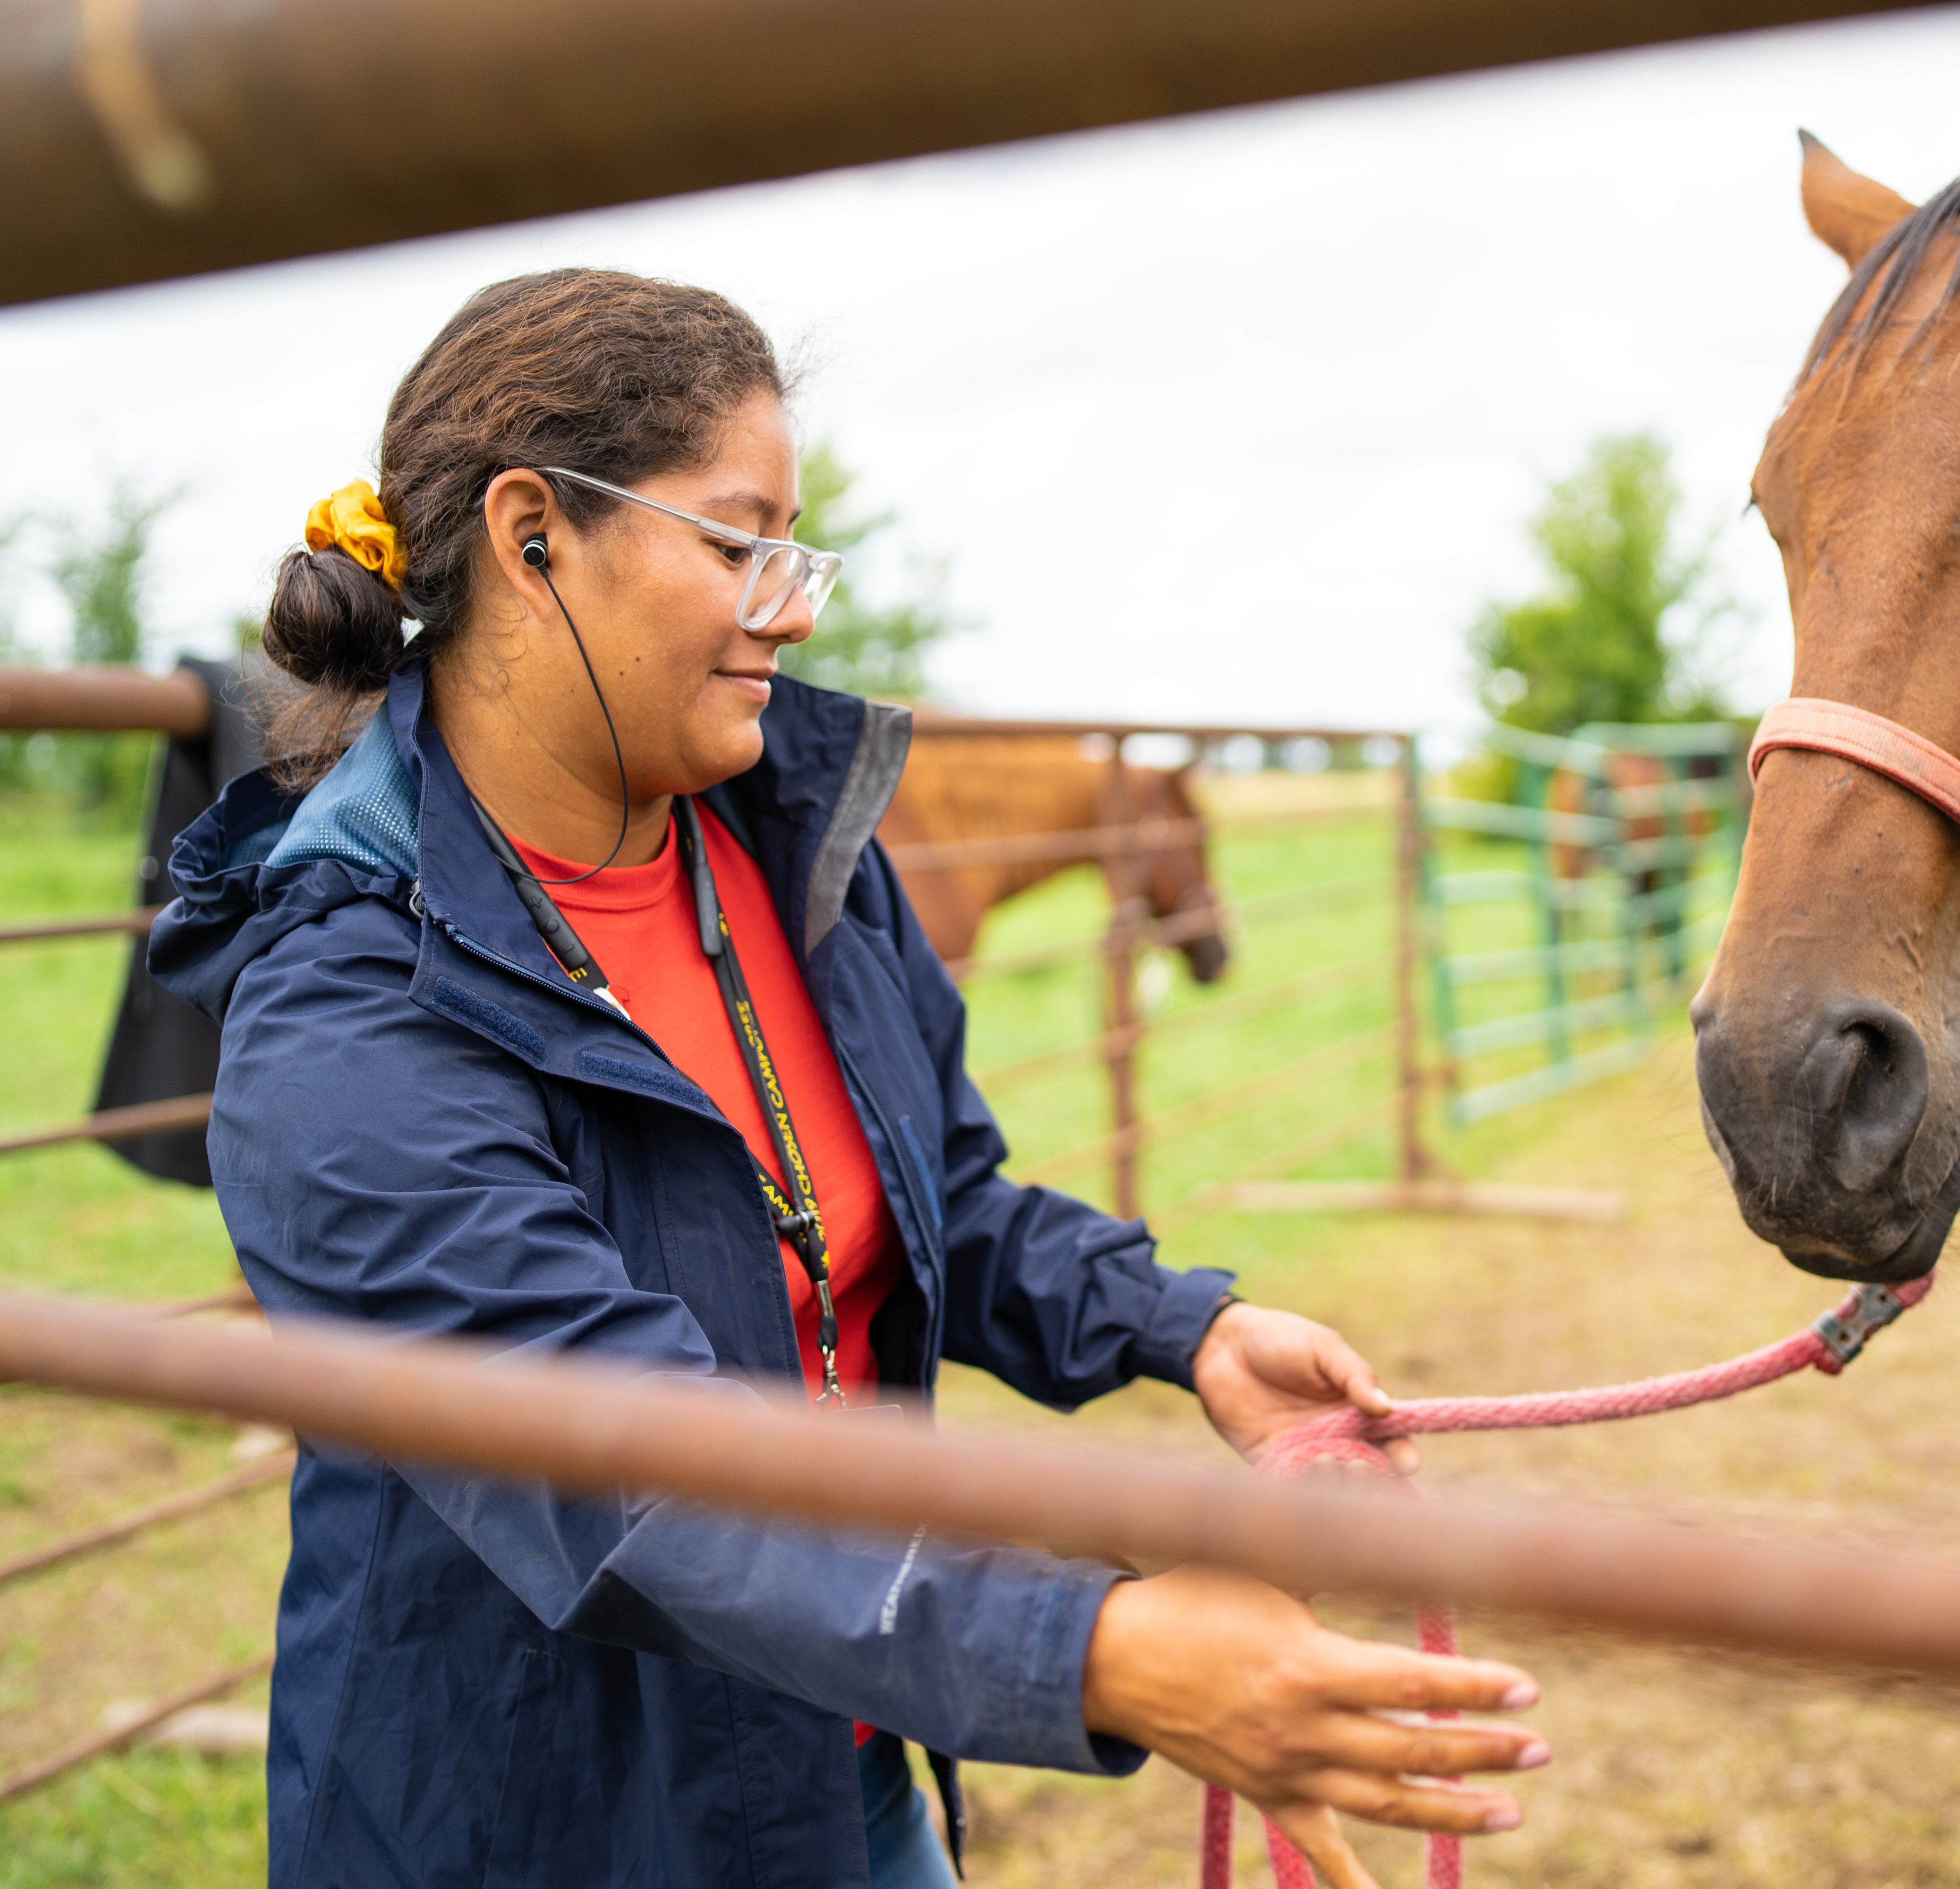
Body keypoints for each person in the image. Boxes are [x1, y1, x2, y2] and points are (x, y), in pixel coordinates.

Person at [151, 267, 1544, 1889]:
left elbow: (932, 1192)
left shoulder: (790, 855)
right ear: (535, 539)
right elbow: (629, 1478)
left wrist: (1189, 1328)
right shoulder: (350, 1010)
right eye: (739, 545)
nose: (797, 605)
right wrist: (1106, 1648)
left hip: (846, 1775)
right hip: (558, 1833)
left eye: (790, 549)